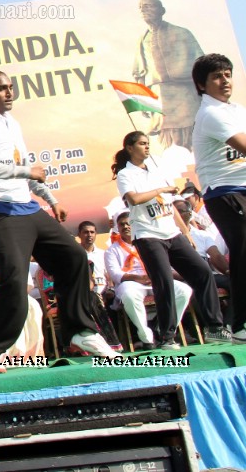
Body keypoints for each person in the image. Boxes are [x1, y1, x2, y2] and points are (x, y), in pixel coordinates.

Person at [0, 72, 119, 374]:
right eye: (0, 89)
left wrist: (51, 199)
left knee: (74, 258)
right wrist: (24, 173)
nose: (8, 93)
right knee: (13, 277)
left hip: (28, 208)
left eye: (10, 88)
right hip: (0, 211)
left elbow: (28, 170)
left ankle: (79, 332)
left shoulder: (13, 124)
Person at [112, 130, 229, 344]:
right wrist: (161, 188)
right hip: (148, 235)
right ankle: (167, 337)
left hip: (172, 233)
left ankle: (214, 328)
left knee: (203, 272)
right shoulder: (125, 174)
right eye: (141, 143)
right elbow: (134, 199)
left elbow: (169, 203)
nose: (147, 147)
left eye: (148, 143)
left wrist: (185, 232)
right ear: (129, 148)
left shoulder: (156, 169)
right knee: (164, 281)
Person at [191, 53, 246, 343]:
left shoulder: (236, 109)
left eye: (227, 74)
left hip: (243, 189)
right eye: (216, 76)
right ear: (202, 85)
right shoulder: (211, 113)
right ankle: (240, 325)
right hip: (225, 191)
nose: (224, 81)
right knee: (244, 251)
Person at [104, 211, 190, 349]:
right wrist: (139, 278)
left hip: (156, 279)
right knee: (129, 295)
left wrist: (156, 275)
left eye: (129, 223)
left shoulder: (150, 242)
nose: (126, 227)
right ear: (117, 228)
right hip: (132, 283)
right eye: (121, 225)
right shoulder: (112, 250)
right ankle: (145, 335)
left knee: (184, 290)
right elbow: (115, 274)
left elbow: (165, 265)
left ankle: (165, 329)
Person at [132, 0, 204, 151]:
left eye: (148, 6)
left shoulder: (182, 33)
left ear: (161, 10)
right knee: (167, 138)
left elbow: (201, 63)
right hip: (158, 94)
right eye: (141, 7)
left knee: (190, 133)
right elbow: (140, 73)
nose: (144, 10)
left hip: (184, 91)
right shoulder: (142, 39)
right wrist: (143, 101)